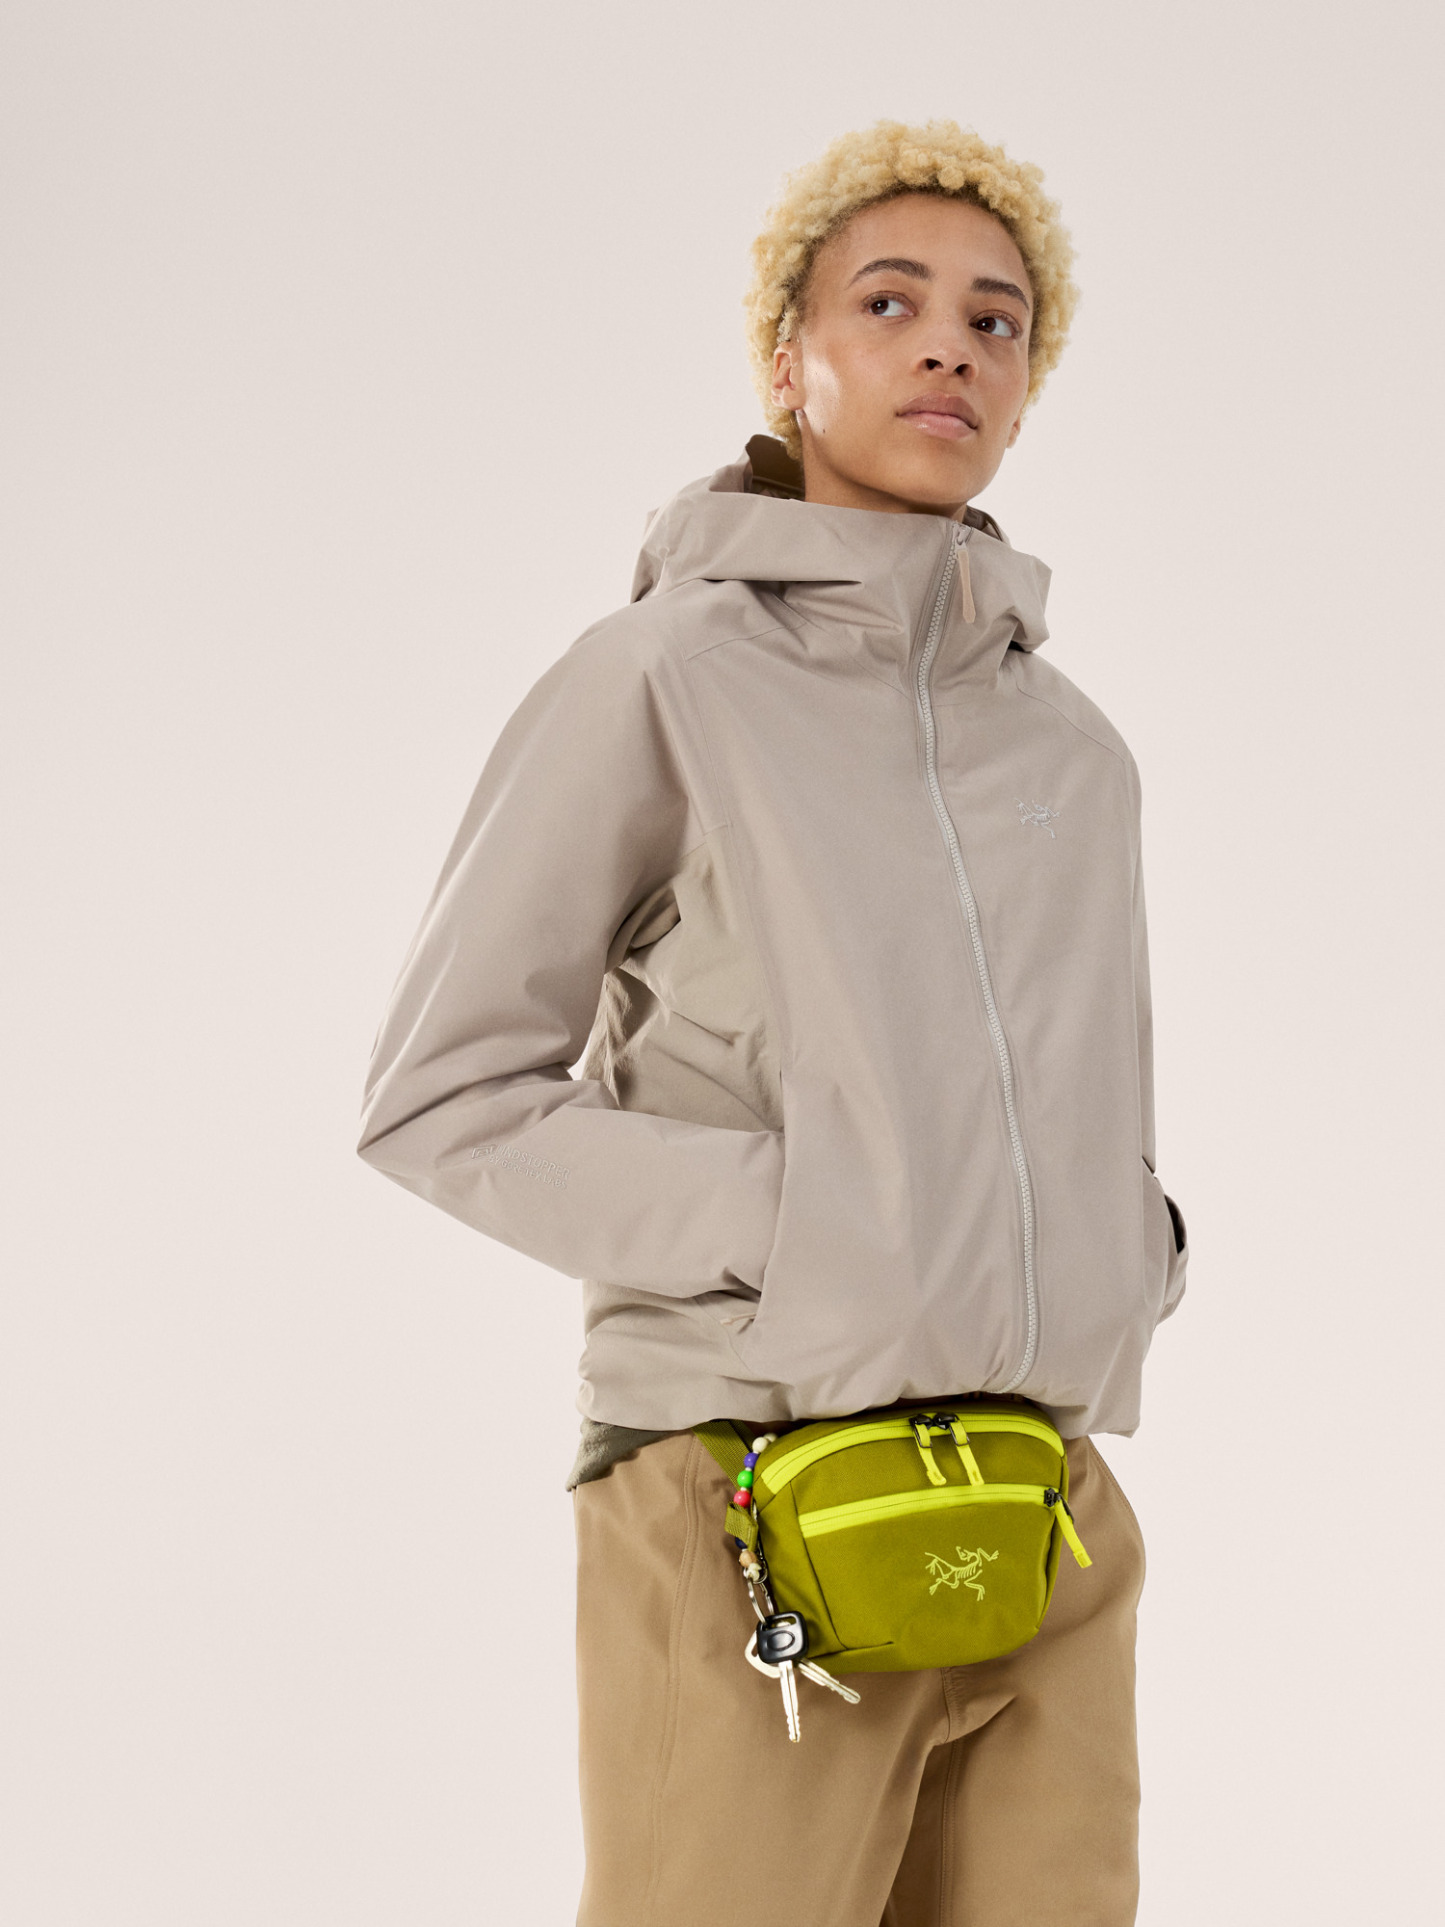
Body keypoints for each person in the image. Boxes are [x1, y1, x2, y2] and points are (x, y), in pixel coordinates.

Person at [357, 117, 1188, 1927]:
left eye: (995, 320)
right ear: (786, 356)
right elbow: (443, 1096)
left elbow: (1086, 1102)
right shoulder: (659, 677)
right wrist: (808, 1227)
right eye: (888, 302)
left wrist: (1133, 1250)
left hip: (1037, 1504)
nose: (947, 346)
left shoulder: (1076, 752)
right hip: (745, 1495)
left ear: (1028, 385)